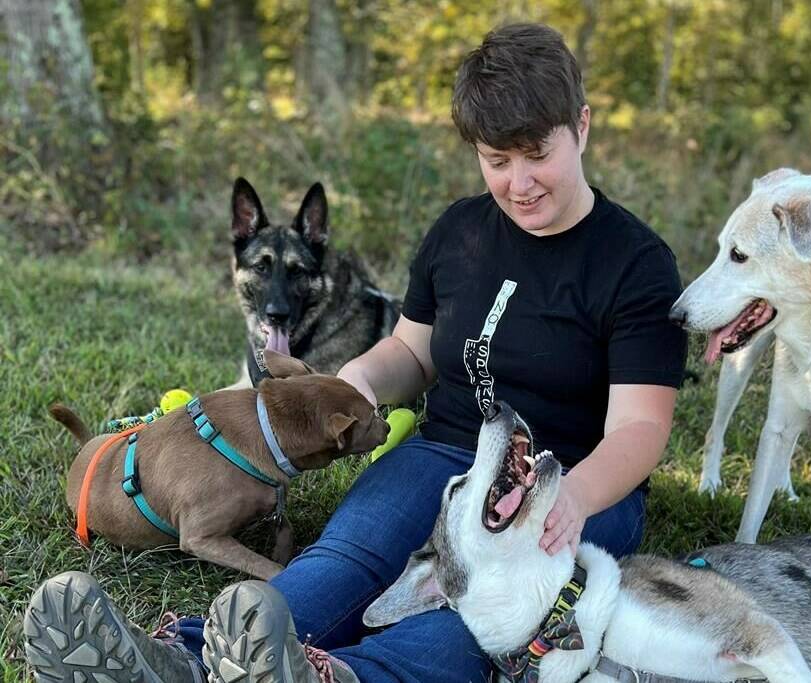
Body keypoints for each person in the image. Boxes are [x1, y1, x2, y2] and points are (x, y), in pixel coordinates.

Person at [23, 23, 686, 683]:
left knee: (478, 607)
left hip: (566, 483)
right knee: (346, 557)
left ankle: (333, 676)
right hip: (443, 457)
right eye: (496, 160)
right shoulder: (460, 232)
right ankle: (186, 662)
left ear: (583, 126)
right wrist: (359, 381)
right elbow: (412, 351)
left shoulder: (635, 263)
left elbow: (640, 428)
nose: (518, 183)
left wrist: (571, 495)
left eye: (535, 154)